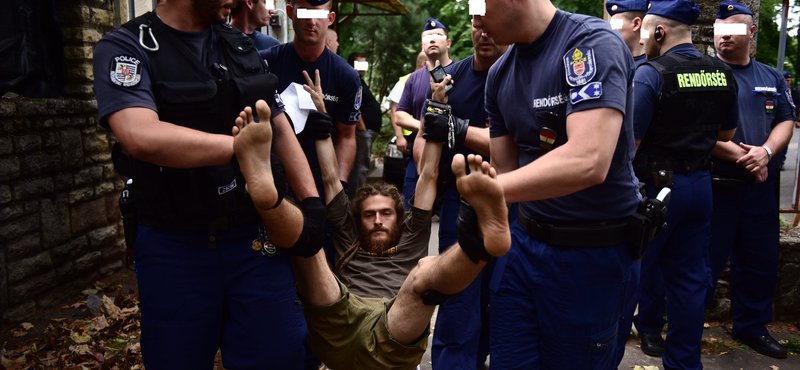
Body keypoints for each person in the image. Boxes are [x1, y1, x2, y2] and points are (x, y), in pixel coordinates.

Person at [91, 0, 323, 368]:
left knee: (279, 354)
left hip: (253, 241)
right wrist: (238, 150)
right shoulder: (127, 46)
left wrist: (312, 205)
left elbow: (277, 126)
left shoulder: (241, 45)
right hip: (175, 247)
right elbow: (140, 134)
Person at [230, 93, 511, 370]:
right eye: (369, 215)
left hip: (393, 331)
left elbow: (428, 175)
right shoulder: (347, 233)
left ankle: (479, 242)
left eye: (386, 214)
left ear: (400, 219)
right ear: (357, 219)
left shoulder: (411, 235)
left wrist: (436, 114)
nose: (377, 220)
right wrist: (322, 123)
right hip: (337, 320)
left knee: (423, 274)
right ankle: (270, 199)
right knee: (310, 240)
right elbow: (330, 178)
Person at [473, 0, 643, 367]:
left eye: (478, 5)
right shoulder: (500, 74)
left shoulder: (590, 44)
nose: (475, 19)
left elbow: (589, 161)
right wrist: (484, 193)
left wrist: (489, 194)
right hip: (524, 247)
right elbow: (505, 172)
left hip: (591, 254)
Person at [611, 1, 739, 368]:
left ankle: (607, 361)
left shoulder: (651, 74)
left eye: (647, 32)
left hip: (654, 190)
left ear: (659, 32)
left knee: (630, 278)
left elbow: (629, 145)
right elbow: (727, 133)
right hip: (700, 186)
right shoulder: (721, 71)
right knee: (689, 282)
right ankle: (684, 363)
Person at [414, 22, 508, 370]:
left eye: (491, 25)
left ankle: (481, 357)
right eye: (478, 27)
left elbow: (518, 145)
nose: (486, 33)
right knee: (459, 294)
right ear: (469, 30)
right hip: (461, 199)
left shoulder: (522, 73)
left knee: (501, 293)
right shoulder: (449, 78)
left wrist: (460, 128)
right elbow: (429, 143)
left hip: (513, 200)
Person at [705, 0, 795, 359]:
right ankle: (687, 327)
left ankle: (751, 328)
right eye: (720, 29)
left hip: (760, 186)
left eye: (735, 29)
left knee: (760, 260)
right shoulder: (704, 73)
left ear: (752, 32)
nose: (726, 36)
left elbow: (786, 120)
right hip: (717, 183)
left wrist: (767, 154)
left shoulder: (771, 77)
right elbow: (694, 130)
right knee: (704, 261)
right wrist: (748, 158)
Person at [260, 0, 362, 268]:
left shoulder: (345, 75)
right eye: (304, 13)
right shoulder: (266, 63)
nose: (311, 22)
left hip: (320, 188)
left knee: (321, 269)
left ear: (329, 18)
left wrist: (337, 188)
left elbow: (347, 137)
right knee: (273, 265)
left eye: (318, 15)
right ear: (291, 13)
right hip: (272, 183)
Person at [395, 18, 453, 210]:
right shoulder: (414, 78)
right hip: (418, 153)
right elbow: (399, 114)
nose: (433, 40)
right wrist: (424, 125)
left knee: (451, 223)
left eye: (438, 36)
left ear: (448, 42)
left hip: (451, 156)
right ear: (422, 44)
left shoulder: (461, 72)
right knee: (410, 213)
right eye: (428, 37)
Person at [347, 52, 383, 196]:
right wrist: (361, 127)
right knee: (359, 168)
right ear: (351, 65)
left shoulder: (360, 81)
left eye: (364, 64)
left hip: (366, 132)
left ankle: (356, 199)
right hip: (362, 132)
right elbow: (353, 104)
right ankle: (355, 201)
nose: (362, 68)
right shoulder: (352, 80)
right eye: (359, 64)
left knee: (362, 167)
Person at [389, 51, 428, 156]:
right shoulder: (405, 81)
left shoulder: (431, 81)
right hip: (409, 136)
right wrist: (399, 137)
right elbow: (394, 111)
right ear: (425, 63)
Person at [606, 0, 648, 66]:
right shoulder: (614, 62)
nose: (610, 30)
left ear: (636, 24)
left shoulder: (654, 67)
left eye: (615, 24)